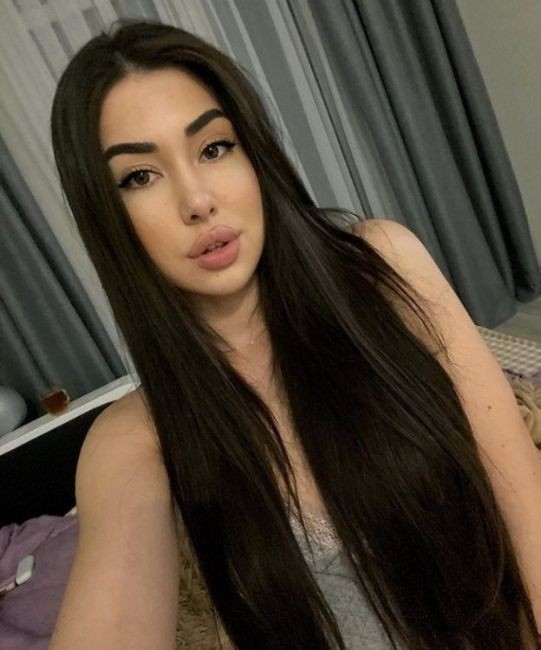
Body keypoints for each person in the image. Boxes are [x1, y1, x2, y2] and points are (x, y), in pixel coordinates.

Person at [47, 18, 540, 650]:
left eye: (213, 148)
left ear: (254, 155)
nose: (197, 200)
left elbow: (522, 496)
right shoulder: (132, 439)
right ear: (106, 215)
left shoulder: (384, 269)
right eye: (139, 176)